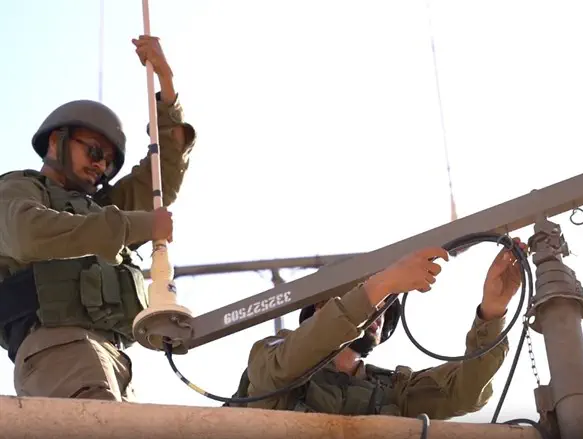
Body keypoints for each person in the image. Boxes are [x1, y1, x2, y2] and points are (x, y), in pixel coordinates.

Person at [0, 35, 197, 402]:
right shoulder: (20, 188)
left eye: (107, 161)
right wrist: (135, 226)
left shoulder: (97, 208)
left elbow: (160, 180)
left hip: (112, 355)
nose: (100, 164)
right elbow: (29, 233)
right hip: (58, 344)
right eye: (93, 151)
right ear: (57, 142)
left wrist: (166, 88)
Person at [230, 241, 523, 420]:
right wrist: (382, 284)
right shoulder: (272, 358)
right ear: (321, 305)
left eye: (385, 307)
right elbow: (279, 368)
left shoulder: (392, 391)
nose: (379, 312)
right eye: (372, 300)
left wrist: (492, 311)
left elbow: (465, 392)